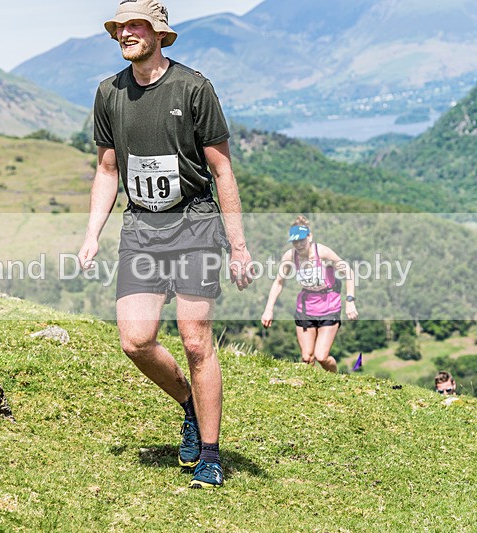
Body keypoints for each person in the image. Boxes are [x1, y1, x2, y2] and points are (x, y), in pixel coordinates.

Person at [77, 0, 253, 489]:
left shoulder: (194, 88)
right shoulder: (108, 92)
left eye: (136, 26)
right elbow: (108, 169)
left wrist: (238, 246)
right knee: (135, 340)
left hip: (195, 226)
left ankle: (212, 456)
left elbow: (222, 170)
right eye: (120, 27)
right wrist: (92, 232)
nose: (126, 34)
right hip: (140, 230)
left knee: (196, 340)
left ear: (159, 33)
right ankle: (189, 406)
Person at [261, 216, 358, 371]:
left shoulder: (323, 253)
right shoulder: (290, 256)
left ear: (310, 237)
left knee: (321, 357)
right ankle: (311, 389)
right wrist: (268, 309)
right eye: (295, 241)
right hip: (306, 307)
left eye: (301, 240)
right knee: (307, 358)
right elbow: (279, 282)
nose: (298, 245)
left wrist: (350, 300)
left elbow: (349, 272)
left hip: (329, 306)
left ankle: (335, 381)